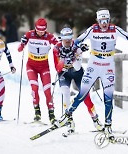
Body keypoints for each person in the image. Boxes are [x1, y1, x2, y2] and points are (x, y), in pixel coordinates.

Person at [56, 8, 128, 138]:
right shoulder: (92, 29)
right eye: (101, 21)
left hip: (108, 67)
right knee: (82, 94)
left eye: (106, 20)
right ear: (97, 20)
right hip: (93, 65)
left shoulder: (115, 29)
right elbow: (77, 41)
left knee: (108, 98)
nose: (104, 23)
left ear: (109, 20)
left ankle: (108, 125)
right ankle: (66, 116)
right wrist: (76, 48)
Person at [53, 27, 103, 133]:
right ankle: (69, 121)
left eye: (69, 38)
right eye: (65, 38)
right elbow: (57, 68)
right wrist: (63, 59)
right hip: (64, 73)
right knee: (65, 92)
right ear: (61, 39)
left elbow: (77, 67)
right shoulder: (56, 48)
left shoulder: (76, 48)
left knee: (86, 97)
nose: (67, 41)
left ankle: (95, 119)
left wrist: (74, 56)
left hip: (77, 73)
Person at [18, 18, 58, 124]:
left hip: (44, 66)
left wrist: (61, 49)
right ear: (35, 28)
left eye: (43, 30)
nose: (41, 32)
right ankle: (37, 112)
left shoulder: (49, 36)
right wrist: (22, 44)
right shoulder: (29, 34)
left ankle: (51, 114)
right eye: (39, 30)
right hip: (31, 66)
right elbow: (19, 49)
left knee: (47, 91)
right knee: (34, 88)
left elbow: (58, 46)